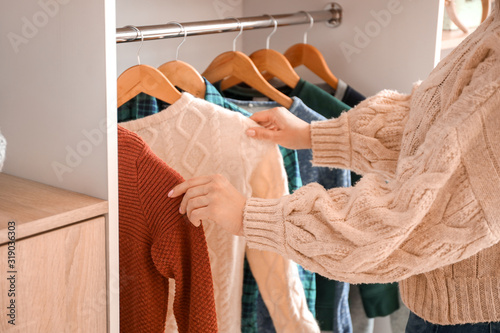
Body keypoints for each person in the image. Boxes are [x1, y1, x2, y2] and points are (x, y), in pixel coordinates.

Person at [169, 3, 500, 332]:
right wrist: (315, 134)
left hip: (474, 320)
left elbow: (408, 219)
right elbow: (436, 124)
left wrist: (249, 215)